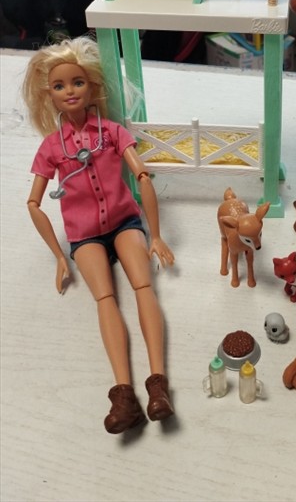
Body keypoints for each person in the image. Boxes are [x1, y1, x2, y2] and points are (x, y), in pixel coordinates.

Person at [23, 36, 175, 434]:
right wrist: (60, 255)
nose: (70, 91)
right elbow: (34, 203)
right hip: (85, 235)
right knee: (105, 298)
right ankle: (124, 396)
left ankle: (158, 386)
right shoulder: (51, 148)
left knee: (143, 286)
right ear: (49, 95)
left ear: (91, 86)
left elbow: (142, 176)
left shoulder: (111, 133)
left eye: (77, 82)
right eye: (59, 86)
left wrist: (155, 235)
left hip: (125, 223)